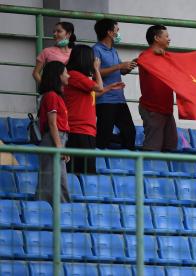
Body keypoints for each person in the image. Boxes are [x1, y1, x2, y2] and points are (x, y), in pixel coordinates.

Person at [64, 45, 125, 174]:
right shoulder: (74, 75)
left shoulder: (82, 77)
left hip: (87, 130)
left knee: (87, 171)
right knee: (79, 171)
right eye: (92, 58)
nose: (94, 61)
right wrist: (97, 69)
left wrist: (110, 87)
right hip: (77, 129)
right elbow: (99, 88)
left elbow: (93, 94)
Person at [93, 19, 137, 150]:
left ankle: (128, 165)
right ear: (110, 32)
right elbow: (96, 74)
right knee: (104, 136)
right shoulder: (96, 49)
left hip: (119, 99)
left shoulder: (113, 51)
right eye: (117, 30)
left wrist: (130, 66)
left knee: (130, 133)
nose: (118, 33)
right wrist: (119, 65)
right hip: (105, 99)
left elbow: (122, 71)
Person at [35, 61, 71, 203]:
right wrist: (59, 147)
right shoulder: (51, 96)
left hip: (57, 139)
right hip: (53, 140)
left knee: (57, 178)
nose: (68, 75)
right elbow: (52, 123)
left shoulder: (55, 96)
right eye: (65, 72)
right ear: (58, 75)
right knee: (52, 178)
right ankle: (49, 211)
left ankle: (60, 211)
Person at [138, 25, 177, 152]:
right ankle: (147, 171)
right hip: (152, 109)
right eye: (166, 36)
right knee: (152, 147)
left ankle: (164, 172)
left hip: (166, 109)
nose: (169, 39)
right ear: (156, 38)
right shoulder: (145, 56)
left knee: (170, 146)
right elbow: (142, 60)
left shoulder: (166, 57)